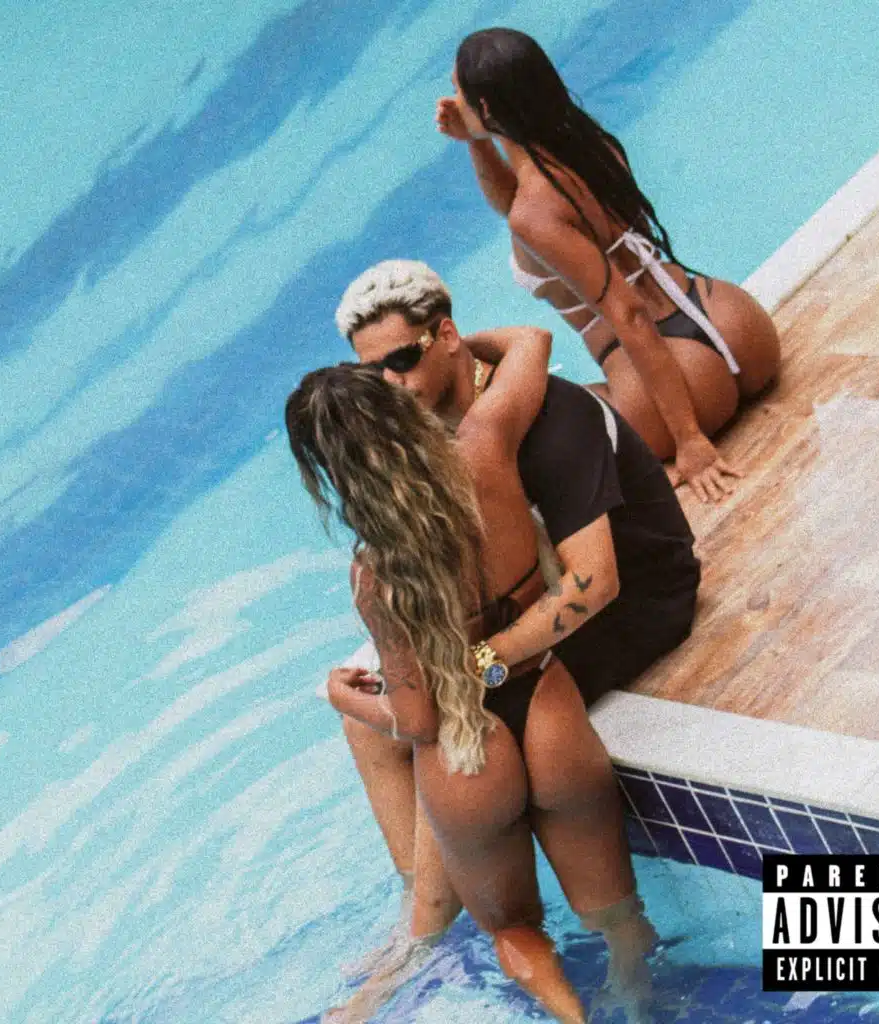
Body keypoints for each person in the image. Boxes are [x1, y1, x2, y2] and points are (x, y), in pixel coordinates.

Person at [321, 258, 698, 1017]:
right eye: (373, 374)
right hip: (544, 620)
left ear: (446, 336)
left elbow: (594, 585)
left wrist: (479, 666)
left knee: (428, 727)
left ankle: (424, 931)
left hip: (632, 603)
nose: (391, 384)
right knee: (376, 718)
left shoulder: (546, 422)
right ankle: (422, 910)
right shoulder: (466, 430)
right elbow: (528, 337)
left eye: (404, 359)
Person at [435, 27, 782, 503]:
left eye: (458, 91)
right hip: (739, 328)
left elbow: (629, 313)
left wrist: (688, 439)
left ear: (487, 107)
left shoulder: (534, 212)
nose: (453, 101)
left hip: (685, 384)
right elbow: (518, 202)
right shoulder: (590, 144)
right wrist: (475, 140)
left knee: (528, 424)